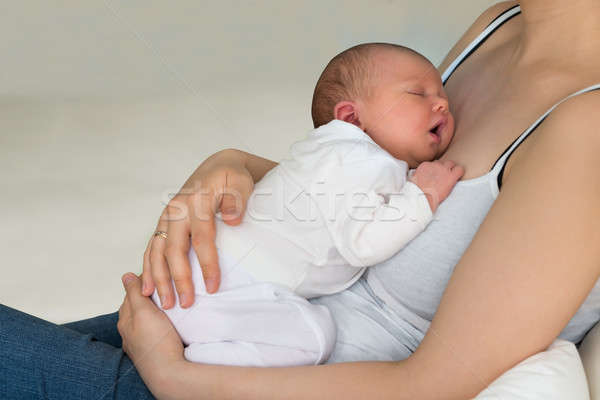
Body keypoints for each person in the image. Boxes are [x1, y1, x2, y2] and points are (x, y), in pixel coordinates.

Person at [2, 1, 600, 399]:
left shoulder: (587, 124)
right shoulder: (503, 24)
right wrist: (235, 164)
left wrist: (177, 378)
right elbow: (380, 182)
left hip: (268, 379)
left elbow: (432, 384)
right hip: (248, 320)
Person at [154, 42, 463, 367]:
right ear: (352, 117)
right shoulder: (366, 162)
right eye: (418, 94)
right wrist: (421, 196)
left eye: (442, 95)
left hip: (189, 280)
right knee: (316, 335)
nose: (441, 103)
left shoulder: (324, 152)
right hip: (221, 293)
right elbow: (363, 246)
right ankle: (204, 363)